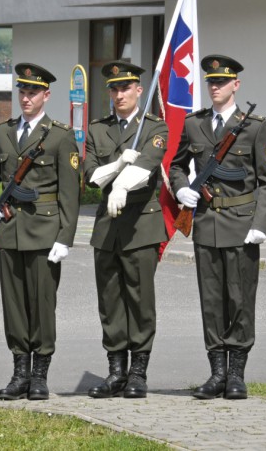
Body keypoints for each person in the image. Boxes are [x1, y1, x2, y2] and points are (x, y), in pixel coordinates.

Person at [169, 55, 266, 400]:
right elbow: (175, 166)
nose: (215, 87)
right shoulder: (194, 124)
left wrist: (261, 224)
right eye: (211, 82)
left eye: (221, 82)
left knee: (240, 299)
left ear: (236, 85)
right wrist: (181, 187)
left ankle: (236, 375)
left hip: (242, 225)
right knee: (212, 301)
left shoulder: (255, 126)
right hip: (205, 224)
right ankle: (216, 372)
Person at [0, 63, 80, 401]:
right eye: (22, 91)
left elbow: (70, 193)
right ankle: (19, 372)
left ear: (46, 95)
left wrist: (65, 237)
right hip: (8, 230)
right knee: (15, 306)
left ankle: (39, 375)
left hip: (44, 231)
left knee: (42, 305)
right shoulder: (2, 132)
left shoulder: (60, 135)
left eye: (33, 92)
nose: (26, 97)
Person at [83, 61, 169, 399]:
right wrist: (118, 166)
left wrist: (123, 186)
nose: (119, 94)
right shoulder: (97, 129)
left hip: (141, 226)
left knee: (139, 300)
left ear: (138, 91)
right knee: (110, 302)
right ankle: (116, 371)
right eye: (114, 89)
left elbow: (148, 166)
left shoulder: (154, 126)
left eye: (125, 88)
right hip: (107, 227)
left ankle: (138, 373)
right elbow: (91, 175)